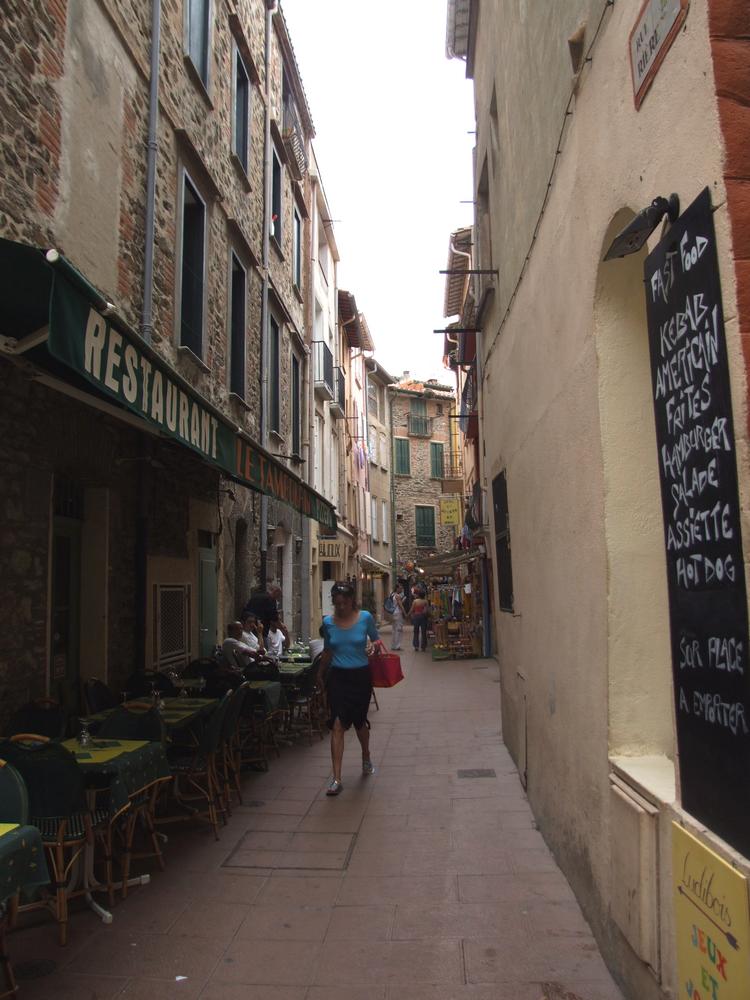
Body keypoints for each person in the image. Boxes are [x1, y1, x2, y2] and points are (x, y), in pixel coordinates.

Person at [316, 580, 379, 796]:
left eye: (344, 603)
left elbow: (377, 642)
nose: (340, 607)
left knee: (360, 723)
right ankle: (337, 778)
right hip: (338, 677)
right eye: (336, 603)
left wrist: (373, 647)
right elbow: (327, 651)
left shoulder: (365, 618)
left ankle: (366, 755)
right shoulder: (328, 623)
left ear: (352, 601)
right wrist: (320, 674)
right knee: (337, 724)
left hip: (360, 676)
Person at [390, 582, 406, 651]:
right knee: (399, 629)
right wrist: (405, 613)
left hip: (393, 613)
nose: (401, 589)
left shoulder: (392, 594)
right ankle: (397, 646)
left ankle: (393, 645)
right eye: (400, 588)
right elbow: (400, 605)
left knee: (394, 630)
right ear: (397, 588)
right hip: (398, 613)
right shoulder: (397, 596)